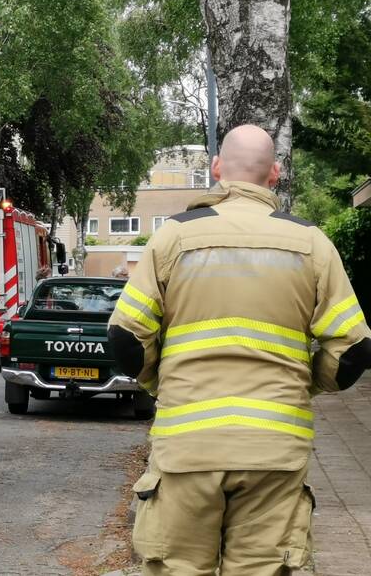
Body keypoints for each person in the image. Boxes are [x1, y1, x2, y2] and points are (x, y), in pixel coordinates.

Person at [107, 124, 371, 575]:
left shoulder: (173, 237)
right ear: (275, 172)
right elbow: (352, 349)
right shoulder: (312, 244)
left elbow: (126, 337)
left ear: (216, 169)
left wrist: (159, 378)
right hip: (275, 449)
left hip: (187, 450)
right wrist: (303, 382)